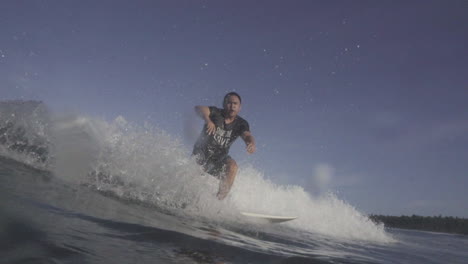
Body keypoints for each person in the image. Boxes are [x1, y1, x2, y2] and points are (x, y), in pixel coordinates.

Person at [192, 92, 256, 200]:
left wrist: (251, 143)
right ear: (224, 104)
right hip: (201, 155)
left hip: (219, 159)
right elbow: (198, 108)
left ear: (240, 107)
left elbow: (247, 135)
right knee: (194, 184)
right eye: (229, 103)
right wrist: (208, 120)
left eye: (235, 103)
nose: (232, 106)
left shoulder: (241, 123)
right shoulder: (216, 113)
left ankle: (218, 202)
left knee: (232, 167)